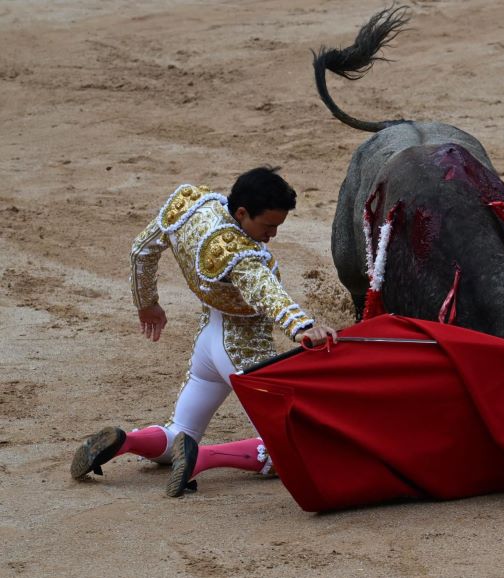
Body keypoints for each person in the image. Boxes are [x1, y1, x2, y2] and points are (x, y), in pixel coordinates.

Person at [71, 166, 336, 496]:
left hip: (208, 342)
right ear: (242, 213)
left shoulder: (192, 204)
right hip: (245, 353)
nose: (273, 234)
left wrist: (147, 303)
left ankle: (129, 441)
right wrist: (304, 328)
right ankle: (204, 458)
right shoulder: (240, 254)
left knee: (180, 431)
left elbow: (141, 250)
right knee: (292, 448)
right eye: (268, 226)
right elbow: (266, 291)